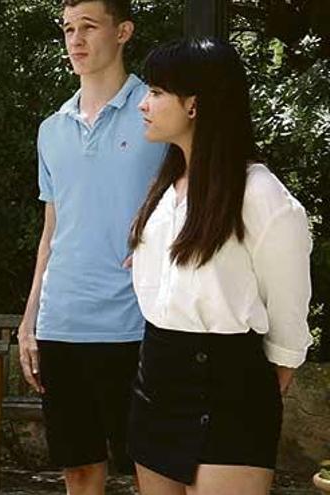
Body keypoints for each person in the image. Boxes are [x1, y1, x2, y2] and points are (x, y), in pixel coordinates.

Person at [128, 37, 313, 495]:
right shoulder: (166, 189)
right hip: (158, 375)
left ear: (194, 104)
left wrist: (249, 388)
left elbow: (289, 322)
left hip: (231, 387)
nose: (143, 105)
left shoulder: (261, 196)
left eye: (156, 92)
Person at [16, 0, 167, 493]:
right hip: (63, 324)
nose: (75, 40)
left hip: (140, 322)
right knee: (79, 469)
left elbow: (192, 207)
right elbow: (52, 232)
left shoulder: (157, 113)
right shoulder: (51, 129)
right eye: (67, 29)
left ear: (123, 31)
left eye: (88, 27)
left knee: (154, 472)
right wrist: (30, 317)